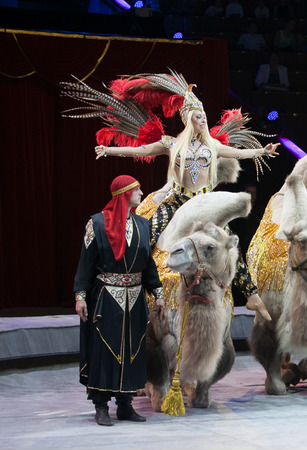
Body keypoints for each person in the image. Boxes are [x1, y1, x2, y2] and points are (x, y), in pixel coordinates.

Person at [76, 72, 277, 320]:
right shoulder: (171, 143)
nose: (203, 119)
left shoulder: (212, 145)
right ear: (187, 118)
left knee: (230, 243)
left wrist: (262, 151)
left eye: (204, 115)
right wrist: (109, 150)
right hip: (178, 201)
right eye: (198, 115)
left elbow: (239, 154)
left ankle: (252, 296)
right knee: (146, 237)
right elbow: (141, 149)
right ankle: (126, 284)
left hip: (204, 202)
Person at [74, 175, 163, 426]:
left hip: (135, 298)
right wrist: (80, 295)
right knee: (105, 350)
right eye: (137, 190)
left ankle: (125, 404)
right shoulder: (98, 224)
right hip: (107, 297)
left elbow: (149, 265)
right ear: (124, 193)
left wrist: (158, 292)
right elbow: (86, 263)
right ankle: (101, 405)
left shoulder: (143, 225)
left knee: (133, 350)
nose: (142, 193)